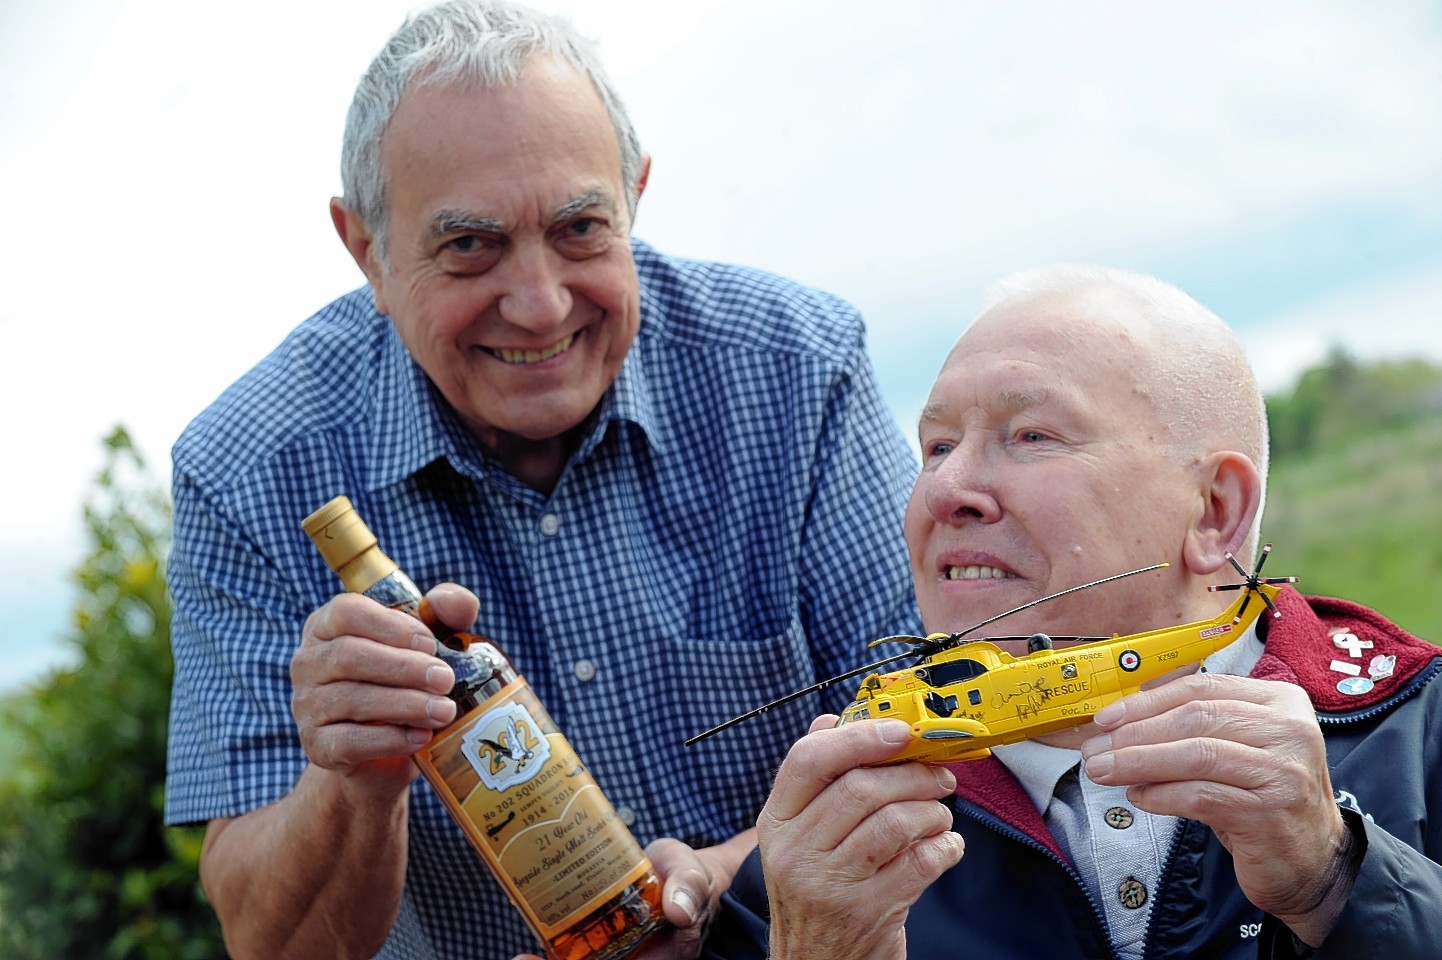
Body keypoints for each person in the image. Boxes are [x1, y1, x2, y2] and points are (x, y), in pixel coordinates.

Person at [161, 2, 921, 958]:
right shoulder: (249, 467)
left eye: (579, 228)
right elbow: (272, 944)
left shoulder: (798, 368)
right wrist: (353, 780)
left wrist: (716, 888)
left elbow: (935, 737)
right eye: (470, 245)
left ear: (634, 196)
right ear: (367, 250)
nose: (540, 304)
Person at [704, 265, 1442, 960]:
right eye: (935, 446)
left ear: (1214, 511)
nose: (944, 490)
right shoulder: (814, 857)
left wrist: (1340, 878)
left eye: (1031, 437)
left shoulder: (1421, 731)